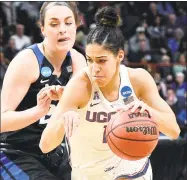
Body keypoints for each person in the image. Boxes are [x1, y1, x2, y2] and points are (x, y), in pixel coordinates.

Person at [40, 7, 180, 180]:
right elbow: (45, 145)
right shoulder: (80, 86)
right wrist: (63, 120)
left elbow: (174, 131)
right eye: (90, 60)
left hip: (134, 170)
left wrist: (149, 113)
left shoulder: (138, 80)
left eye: (101, 60)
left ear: (120, 55)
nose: (94, 68)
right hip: (90, 174)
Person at [1, 2, 87, 180]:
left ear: (76, 26)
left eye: (68, 22)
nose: (62, 29)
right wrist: (38, 111)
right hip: (15, 153)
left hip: (56, 152)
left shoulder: (78, 61)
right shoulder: (27, 61)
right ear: (43, 29)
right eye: (54, 24)